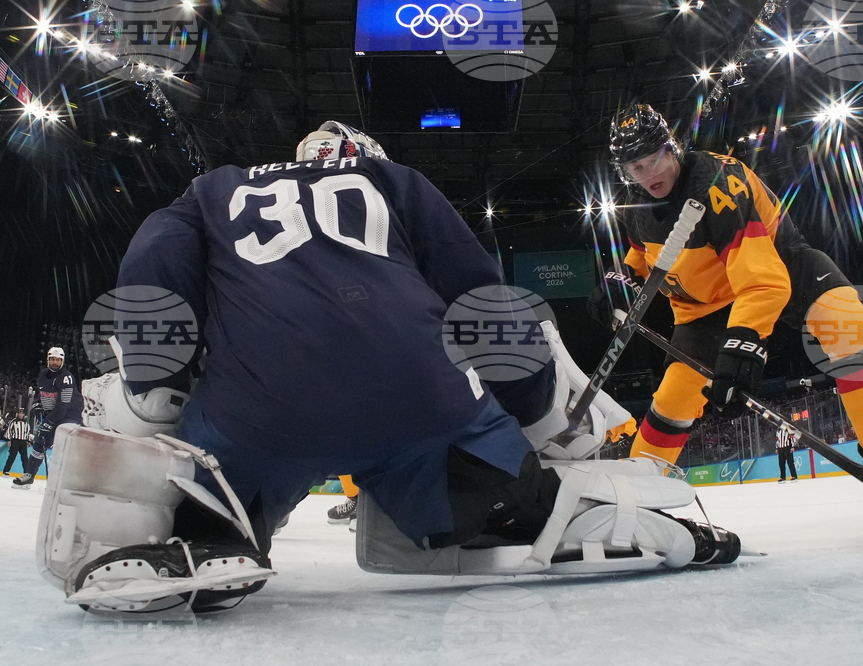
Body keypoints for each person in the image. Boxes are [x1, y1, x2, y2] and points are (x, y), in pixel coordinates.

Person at [37, 121, 740, 614]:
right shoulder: (392, 180)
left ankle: (211, 534)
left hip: (262, 408)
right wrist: (531, 408)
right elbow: (485, 302)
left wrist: (157, 385)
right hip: (421, 397)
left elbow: (153, 263)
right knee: (488, 487)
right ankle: (540, 507)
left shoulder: (213, 189)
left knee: (218, 486)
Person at [592, 103, 863, 525]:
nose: (648, 174)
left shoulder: (718, 183)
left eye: (654, 158)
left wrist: (743, 346)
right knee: (675, 397)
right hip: (706, 305)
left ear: (671, 147)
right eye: (635, 167)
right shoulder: (634, 206)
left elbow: (764, 280)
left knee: (846, 324)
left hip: (783, 263)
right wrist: (620, 281)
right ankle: (634, 497)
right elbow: (645, 258)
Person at [13, 348, 82, 488]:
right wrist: (39, 403)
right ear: (48, 360)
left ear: (62, 361)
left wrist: (49, 422)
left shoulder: (66, 377)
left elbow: (63, 405)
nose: (55, 362)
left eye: (58, 360)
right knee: (40, 440)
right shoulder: (43, 374)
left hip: (70, 414)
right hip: (54, 413)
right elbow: (46, 395)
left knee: (62, 443)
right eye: (52, 359)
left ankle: (62, 481)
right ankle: (29, 476)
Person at [3, 409, 31, 477]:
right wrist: (9, 440)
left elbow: (27, 432)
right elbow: (9, 431)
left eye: (22, 413)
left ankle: (26, 471)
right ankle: (6, 471)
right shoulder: (13, 422)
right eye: (19, 413)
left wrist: (28, 441)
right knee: (12, 456)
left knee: (25, 457)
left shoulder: (26, 423)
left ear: (24, 415)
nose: (21, 415)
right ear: (17, 414)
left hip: (23, 441)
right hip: (15, 440)